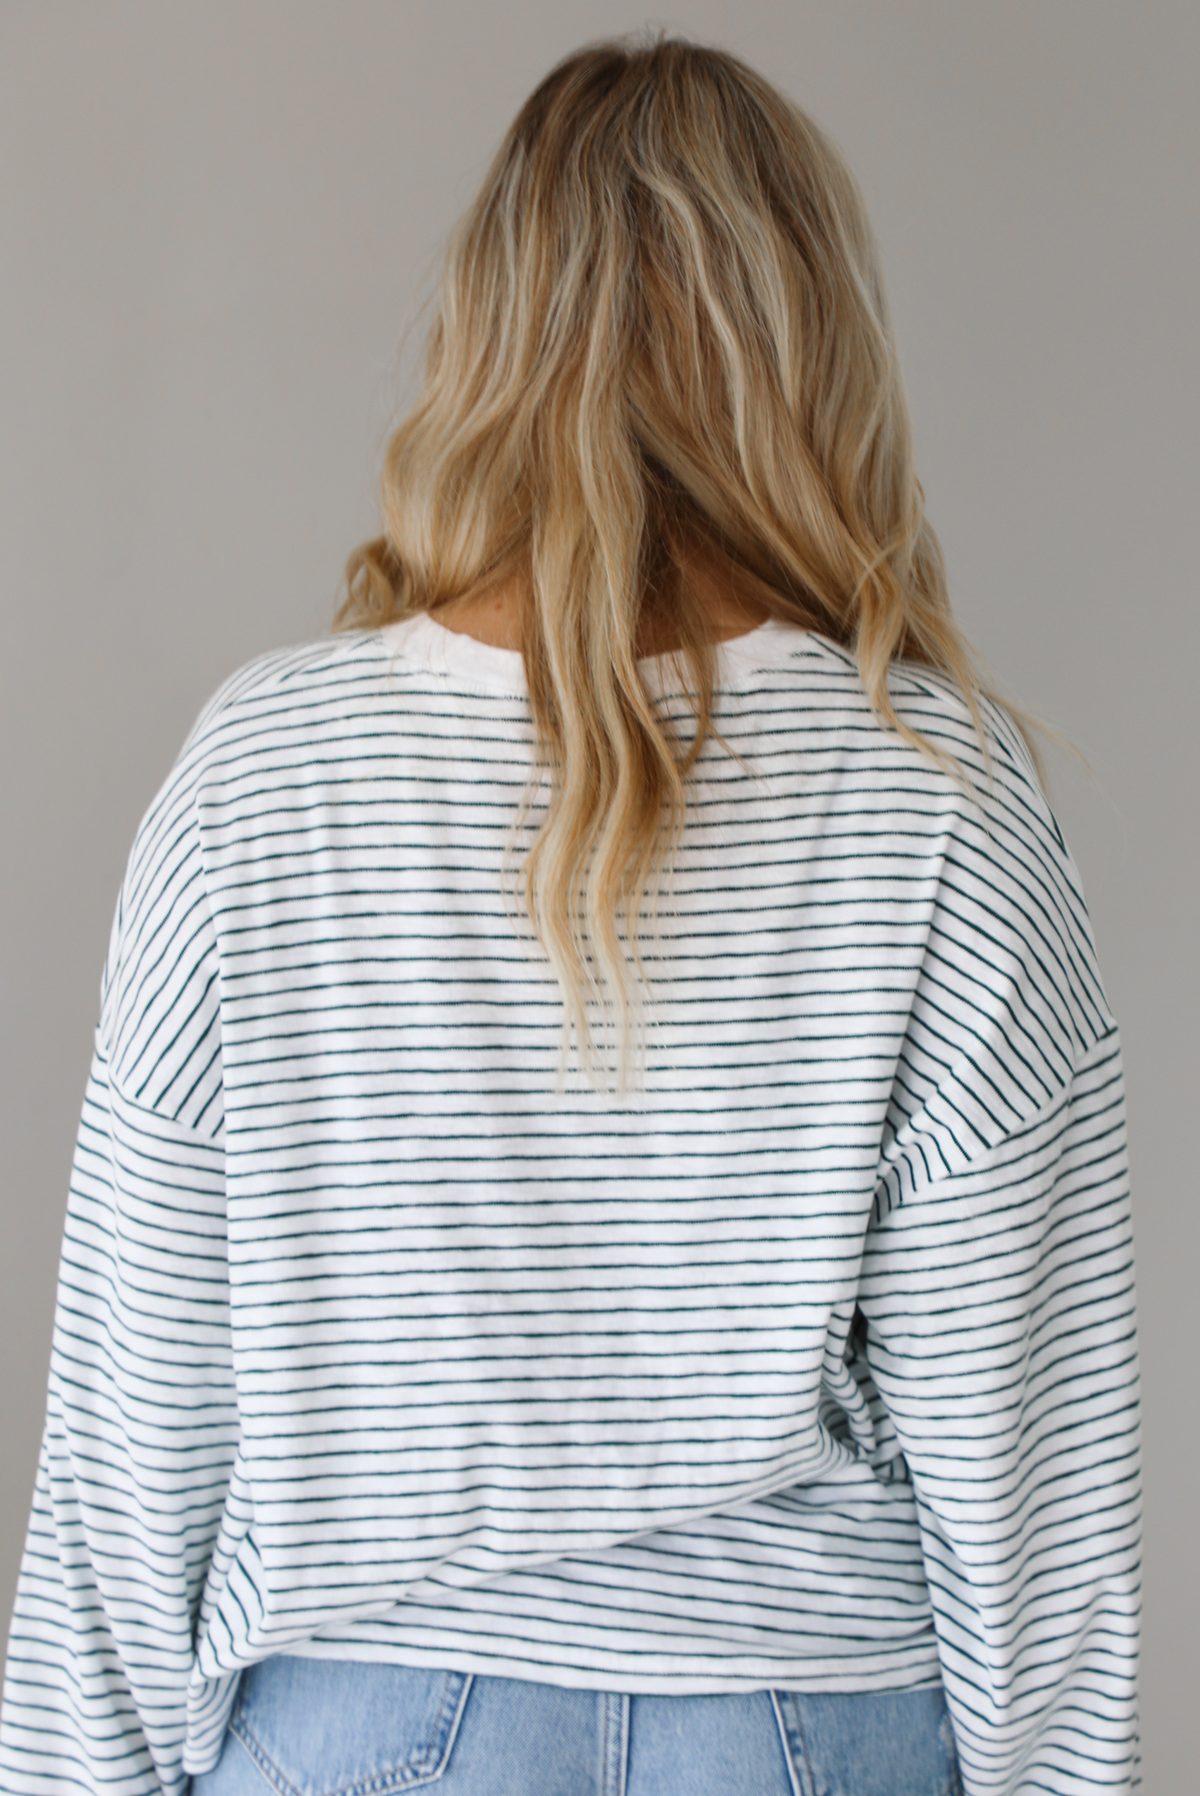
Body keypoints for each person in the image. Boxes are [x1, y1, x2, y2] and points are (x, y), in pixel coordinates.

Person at [0, 34, 1140, 1796]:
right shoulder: (945, 802)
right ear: (812, 345)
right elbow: (1034, 1483)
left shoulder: (264, 771)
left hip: (355, 1728)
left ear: (489, 335)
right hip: (807, 1729)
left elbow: (131, 1444)